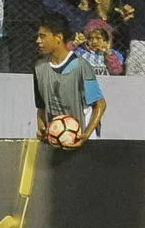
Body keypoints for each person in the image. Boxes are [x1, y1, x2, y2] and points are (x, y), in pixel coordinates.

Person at [34, 14, 107, 147]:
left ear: (59, 37)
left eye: (43, 36)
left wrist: (86, 135)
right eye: (38, 36)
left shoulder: (81, 66)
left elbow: (100, 104)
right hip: (57, 140)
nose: (38, 40)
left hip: (83, 140)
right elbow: (41, 107)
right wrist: (42, 128)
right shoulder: (39, 68)